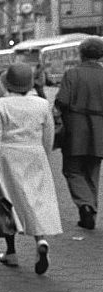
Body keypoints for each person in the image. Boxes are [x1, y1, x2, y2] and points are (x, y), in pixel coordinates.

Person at [0, 64, 61, 274]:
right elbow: (49, 136)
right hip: (34, 154)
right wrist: (43, 154)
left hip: (6, 158)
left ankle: (11, 252)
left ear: (7, 82)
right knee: (34, 201)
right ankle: (40, 240)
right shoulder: (42, 104)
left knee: (6, 204)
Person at [55, 36, 103, 230]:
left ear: (81, 54)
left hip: (75, 128)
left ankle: (85, 205)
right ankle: (90, 211)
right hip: (100, 129)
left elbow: (62, 101)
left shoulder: (72, 74)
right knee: (93, 170)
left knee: (72, 169)